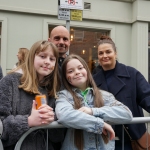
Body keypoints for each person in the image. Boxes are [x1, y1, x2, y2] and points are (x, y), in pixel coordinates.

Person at [55, 54, 133, 150]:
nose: (77, 72)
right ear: (66, 77)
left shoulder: (105, 96)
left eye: (80, 68)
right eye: (70, 71)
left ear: (87, 70)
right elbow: (64, 115)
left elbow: (127, 114)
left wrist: (93, 111)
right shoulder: (63, 96)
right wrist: (100, 124)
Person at [0, 40, 65, 150]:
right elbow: (2, 123)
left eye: (52, 59)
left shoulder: (53, 89)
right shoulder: (10, 81)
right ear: (31, 57)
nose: (47, 62)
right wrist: (28, 121)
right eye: (42, 56)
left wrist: (51, 120)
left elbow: (58, 136)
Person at [93, 35, 150, 150]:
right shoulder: (93, 80)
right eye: (101, 53)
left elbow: (147, 97)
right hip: (104, 141)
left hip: (132, 140)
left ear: (116, 53)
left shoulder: (132, 74)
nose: (104, 56)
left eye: (108, 52)